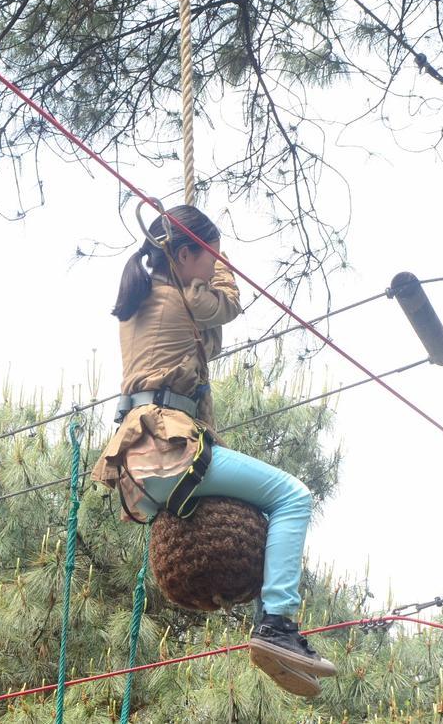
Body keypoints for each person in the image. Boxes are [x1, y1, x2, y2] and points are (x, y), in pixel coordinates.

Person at [91, 205, 337, 697]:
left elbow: (208, 341)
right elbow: (224, 307)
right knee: (292, 497)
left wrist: (207, 264)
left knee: (260, 504)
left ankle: (272, 626)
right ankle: (277, 624)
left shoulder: (146, 299)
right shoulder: (179, 300)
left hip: (142, 461)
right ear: (184, 255)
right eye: (208, 256)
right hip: (168, 448)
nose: (213, 265)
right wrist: (224, 269)